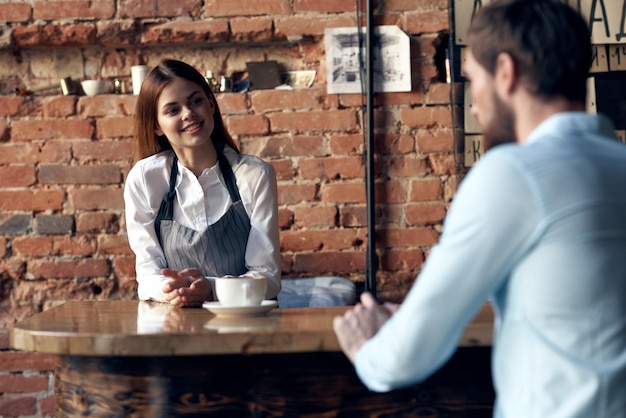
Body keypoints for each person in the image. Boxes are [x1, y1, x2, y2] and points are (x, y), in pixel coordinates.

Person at [333, 0, 626, 416]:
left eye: (473, 78)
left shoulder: (513, 173)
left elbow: (400, 361)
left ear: (506, 72)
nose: (474, 104)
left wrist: (367, 346)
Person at [124, 59, 281, 307]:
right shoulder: (145, 178)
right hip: (174, 322)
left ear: (211, 104)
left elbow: (268, 277)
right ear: (155, 125)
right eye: (172, 110)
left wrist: (211, 288)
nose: (188, 113)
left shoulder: (253, 175)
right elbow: (147, 273)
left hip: (243, 324)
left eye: (196, 101)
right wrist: (170, 289)